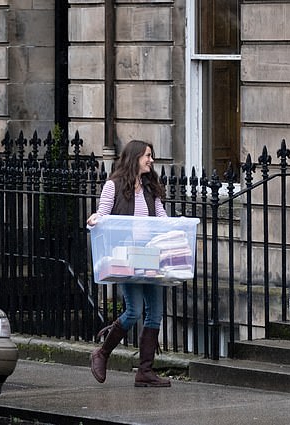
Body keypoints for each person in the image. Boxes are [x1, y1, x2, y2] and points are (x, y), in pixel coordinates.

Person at [86, 139, 171, 387]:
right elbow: (103, 214)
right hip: (126, 256)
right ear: (135, 157)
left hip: (151, 255)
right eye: (147, 156)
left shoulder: (151, 186)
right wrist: (95, 219)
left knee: (155, 313)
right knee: (134, 311)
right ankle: (102, 354)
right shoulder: (113, 186)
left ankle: (145, 372)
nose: (151, 160)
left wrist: (175, 225)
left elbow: (161, 217)